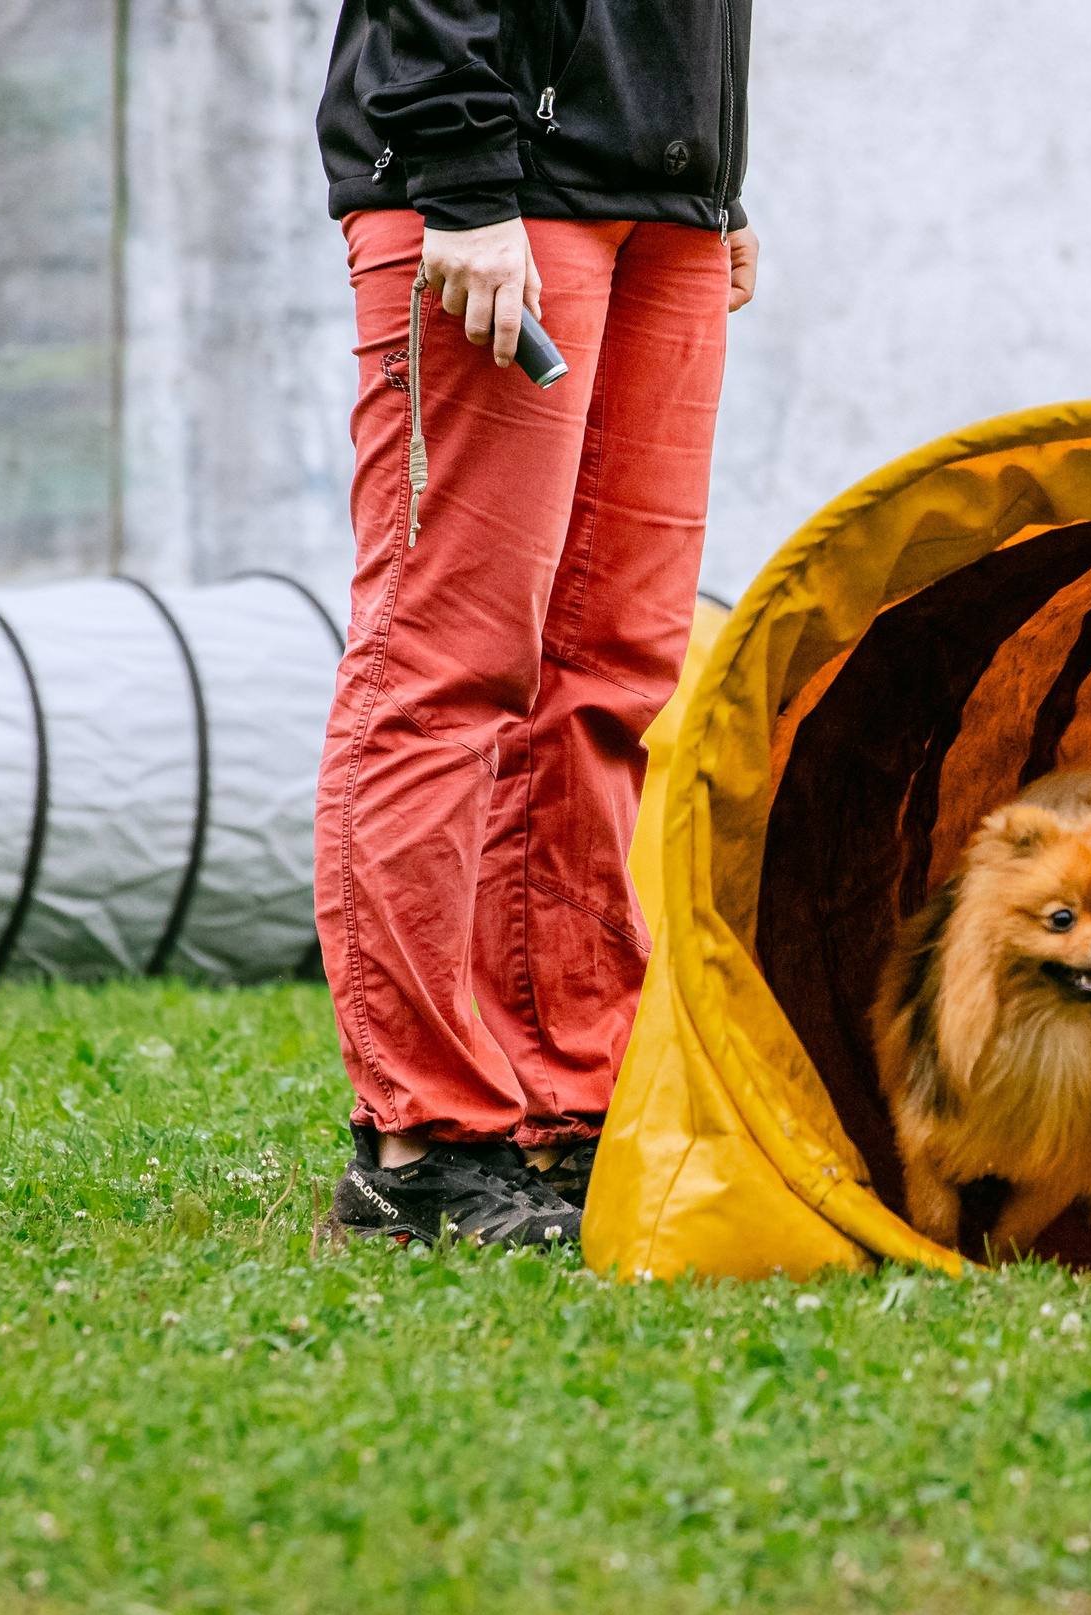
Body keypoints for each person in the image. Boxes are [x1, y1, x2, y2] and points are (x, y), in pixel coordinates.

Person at [314, 0, 758, 1245]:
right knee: (443, 671)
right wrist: (459, 176)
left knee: (612, 678)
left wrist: (709, 177)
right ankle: (416, 1147)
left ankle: (565, 1113)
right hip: (495, 187)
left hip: (658, 196)